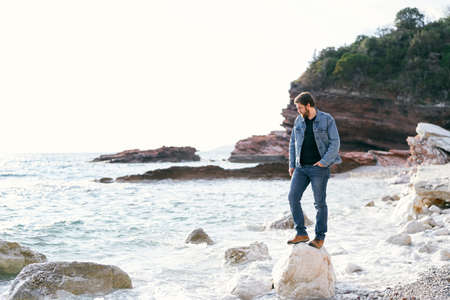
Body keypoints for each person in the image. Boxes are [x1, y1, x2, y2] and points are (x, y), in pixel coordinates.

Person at [287, 91, 341, 249]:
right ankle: (301, 233)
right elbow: (292, 144)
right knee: (293, 197)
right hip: (301, 168)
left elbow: (335, 142)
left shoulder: (326, 119)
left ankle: (319, 237)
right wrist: (292, 164)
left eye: (300, 107)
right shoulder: (299, 120)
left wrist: (324, 162)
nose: (298, 110)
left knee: (319, 204)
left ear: (308, 105)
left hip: (319, 168)